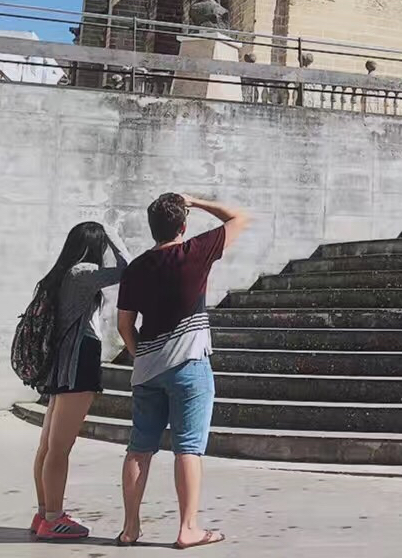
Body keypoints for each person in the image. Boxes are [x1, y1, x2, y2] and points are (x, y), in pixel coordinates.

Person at [116, 193, 250, 549]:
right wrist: (196, 200)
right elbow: (238, 217)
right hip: (190, 366)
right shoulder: (196, 251)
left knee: (139, 449)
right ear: (183, 225)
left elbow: (124, 324)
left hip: (147, 370)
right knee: (188, 448)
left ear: (152, 227)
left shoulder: (137, 268)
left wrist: (140, 355)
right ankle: (187, 528)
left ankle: (130, 528)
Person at [30, 222, 130, 541]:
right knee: (60, 447)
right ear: (94, 246)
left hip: (63, 363)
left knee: (49, 445)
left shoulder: (62, 273)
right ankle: (54, 519)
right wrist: (111, 234)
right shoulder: (83, 272)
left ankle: (45, 513)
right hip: (78, 360)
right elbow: (128, 269)